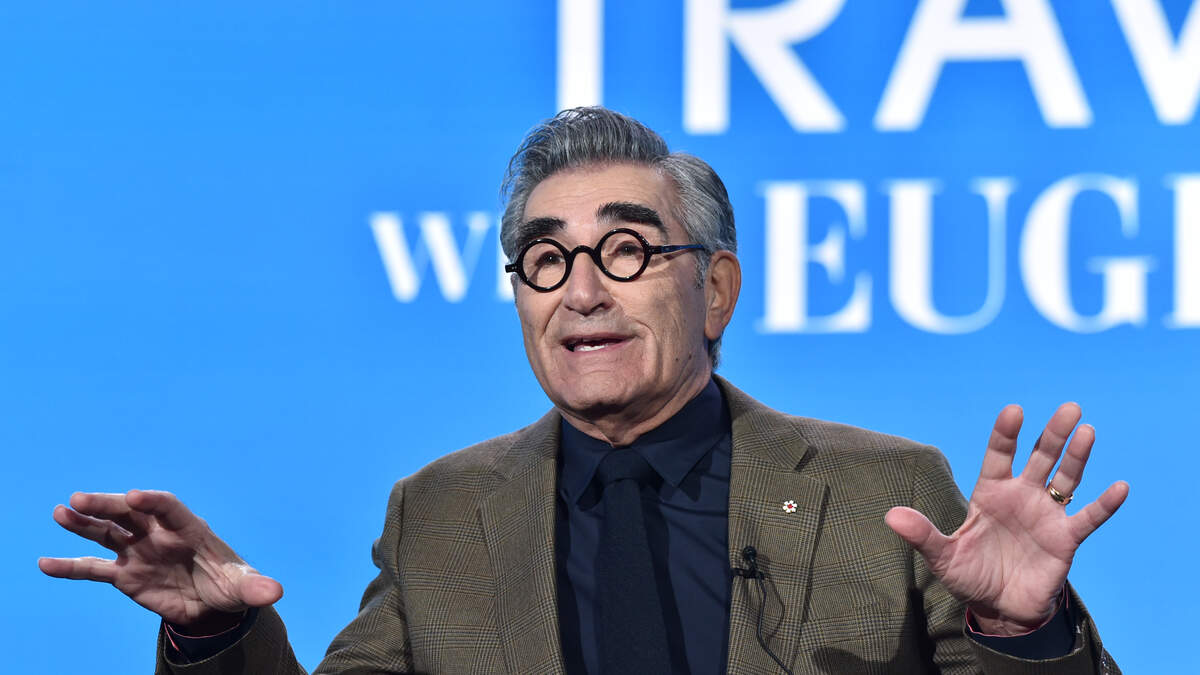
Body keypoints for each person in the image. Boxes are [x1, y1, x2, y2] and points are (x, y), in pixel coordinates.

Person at [40, 107, 1128, 674]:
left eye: (626, 249)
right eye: (546, 259)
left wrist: (1021, 633)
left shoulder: (881, 489)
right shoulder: (439, 515)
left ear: (715, 288)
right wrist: (217, 640)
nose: (582, 290)